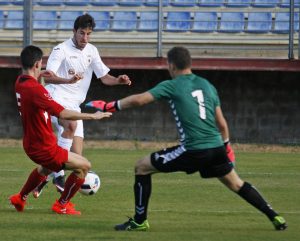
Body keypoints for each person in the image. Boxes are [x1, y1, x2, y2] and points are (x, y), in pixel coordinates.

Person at [86, 46, 287, 231]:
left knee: (141, 167)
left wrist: (108, 106)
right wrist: (227, 148)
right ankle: (275, 216)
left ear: (171, 65)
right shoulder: (207, 85)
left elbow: (140, 99)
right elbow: (223, 124)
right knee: (236, 184)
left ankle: (139, 221)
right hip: (217, 146)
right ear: (190, 63)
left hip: (194, 149)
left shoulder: (172, 85)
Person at [32, 13, 131, 197]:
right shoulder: (60, 50)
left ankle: (52, 188)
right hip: (56, 99)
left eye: (88, 34)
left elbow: (104, 78)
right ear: (74, 31)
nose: (85, 38)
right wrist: (68, 81)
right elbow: (48, 75)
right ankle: (58, 175)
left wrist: (119, 80)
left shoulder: (91, 51)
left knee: (78, 161)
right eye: (82, 33)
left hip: (75, 106)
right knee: (71, 125)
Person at [10, 45, 112, 215]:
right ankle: (62, 204)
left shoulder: (20, 82)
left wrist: (63, 80)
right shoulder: (37, 91)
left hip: (30, 144)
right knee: (84, 166)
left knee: (45, 168)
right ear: (37, 64)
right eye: (41, 65)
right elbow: (63, 113)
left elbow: (33, 84)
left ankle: (20, 198)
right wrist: (93, 116)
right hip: (45, 148)